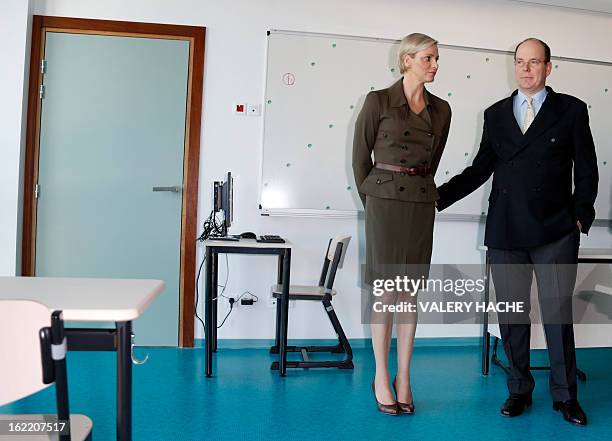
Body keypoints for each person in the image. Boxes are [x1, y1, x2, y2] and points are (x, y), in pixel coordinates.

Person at [436, 38, 598, 426]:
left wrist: (581, 215)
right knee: (512, 316)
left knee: (558, 316)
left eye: (534, 62)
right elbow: (480, 169)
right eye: (520, 62)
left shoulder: (572, 110)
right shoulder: (495, 114)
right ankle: (518, 391)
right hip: (507, 229)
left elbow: (588, 167)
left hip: (556, 229)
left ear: (548, 67)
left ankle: (565, 396)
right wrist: (436, 196)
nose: (526, 69)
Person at [352, 33, 451, 415]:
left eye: (436, 59)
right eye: (428, 58)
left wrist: (415, 189)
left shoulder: (442, 110)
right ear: (406, 60)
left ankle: (404, 378)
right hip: (384, 202)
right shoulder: (377, 100)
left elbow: (434, 161)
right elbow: (361, 160)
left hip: (420, 203)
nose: (435, 65)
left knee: (410, 293)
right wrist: (376, 199)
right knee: (386, 292)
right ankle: (380, 375)